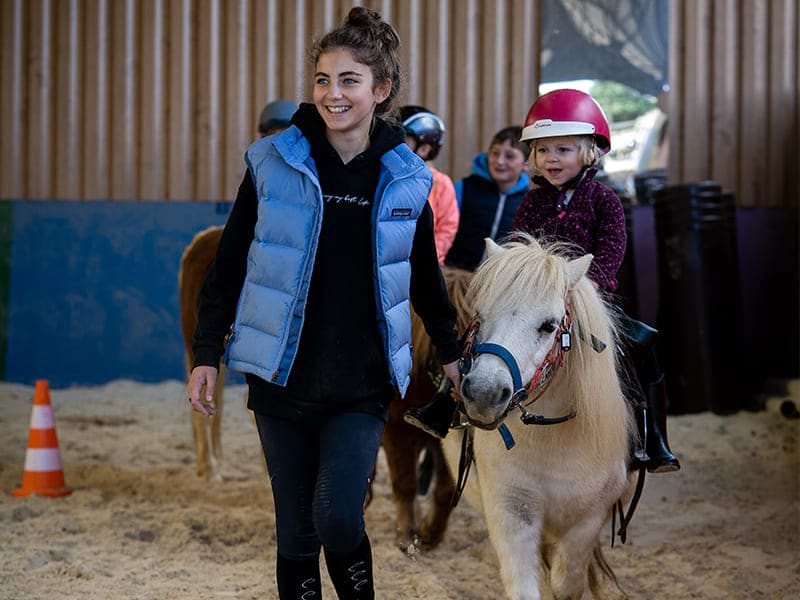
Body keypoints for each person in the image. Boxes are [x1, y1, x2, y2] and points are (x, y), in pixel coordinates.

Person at [187, 8, 461, 599]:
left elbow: (422, 275)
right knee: (296, 532)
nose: (332, 94)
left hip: (360, 380)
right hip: (282, 375)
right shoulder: (271, 163)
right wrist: (206, 353)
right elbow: (228, 266)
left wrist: (452, 350)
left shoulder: (407, 178)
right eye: (322, 80)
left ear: (380, 89)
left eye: (349, 81)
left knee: (338, 516)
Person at [513, 88, 679, 473]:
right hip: (537, 302)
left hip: (592, 301)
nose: (551, 159)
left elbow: (610, 254)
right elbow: (519, 248)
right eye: (543, 150)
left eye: (563, 150)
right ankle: (457, 409)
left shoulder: (605, 201)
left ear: (589, 152)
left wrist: (585, 288)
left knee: (642, 347)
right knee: (485, 332)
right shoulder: (531, 203)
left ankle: (652, 438)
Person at [443, 126, 530, 272]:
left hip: (496, 282)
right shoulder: (464, 187)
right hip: (455, 276)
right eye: (495, 153)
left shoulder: (528, 201)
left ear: (526, 165)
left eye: (509, 156)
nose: (499, 161)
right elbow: (444, 229)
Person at [399, 105, 459, 264]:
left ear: (424, 149)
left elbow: (446, 229)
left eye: (402, 139)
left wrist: (428, 260)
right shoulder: (383, 175)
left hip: (422, 266)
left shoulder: (441, 184)